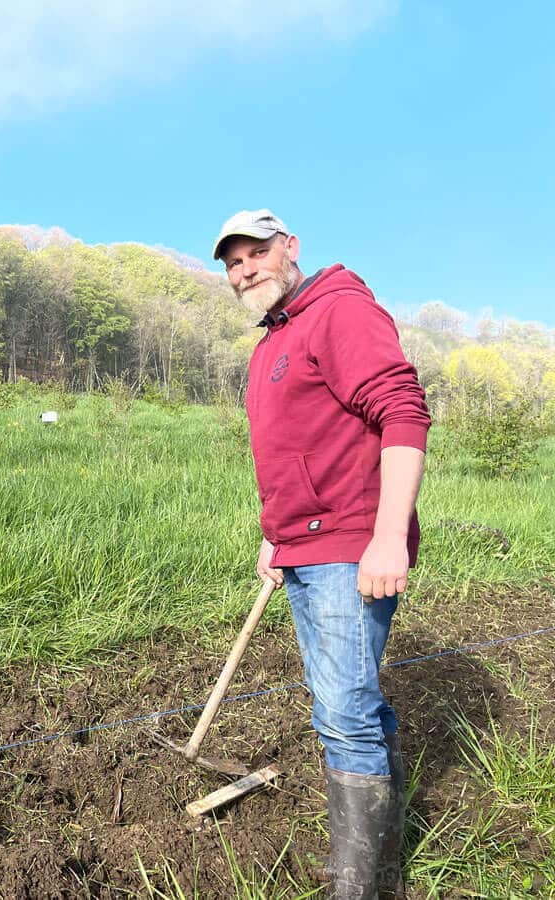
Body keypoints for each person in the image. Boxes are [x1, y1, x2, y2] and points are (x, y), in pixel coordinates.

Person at [212, 209, 429, 900]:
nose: (246, 268)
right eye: (233, 261)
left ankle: (359, 888)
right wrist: (275, 533)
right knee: (353, 705)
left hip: (350, 547)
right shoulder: (274, 339)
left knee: (342, 714)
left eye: (257, 252)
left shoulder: (339, 312)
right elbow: (298, 452)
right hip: (305, 545)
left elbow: (402, 413)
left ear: (291, 247)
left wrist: (388, 537)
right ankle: (379, 866)